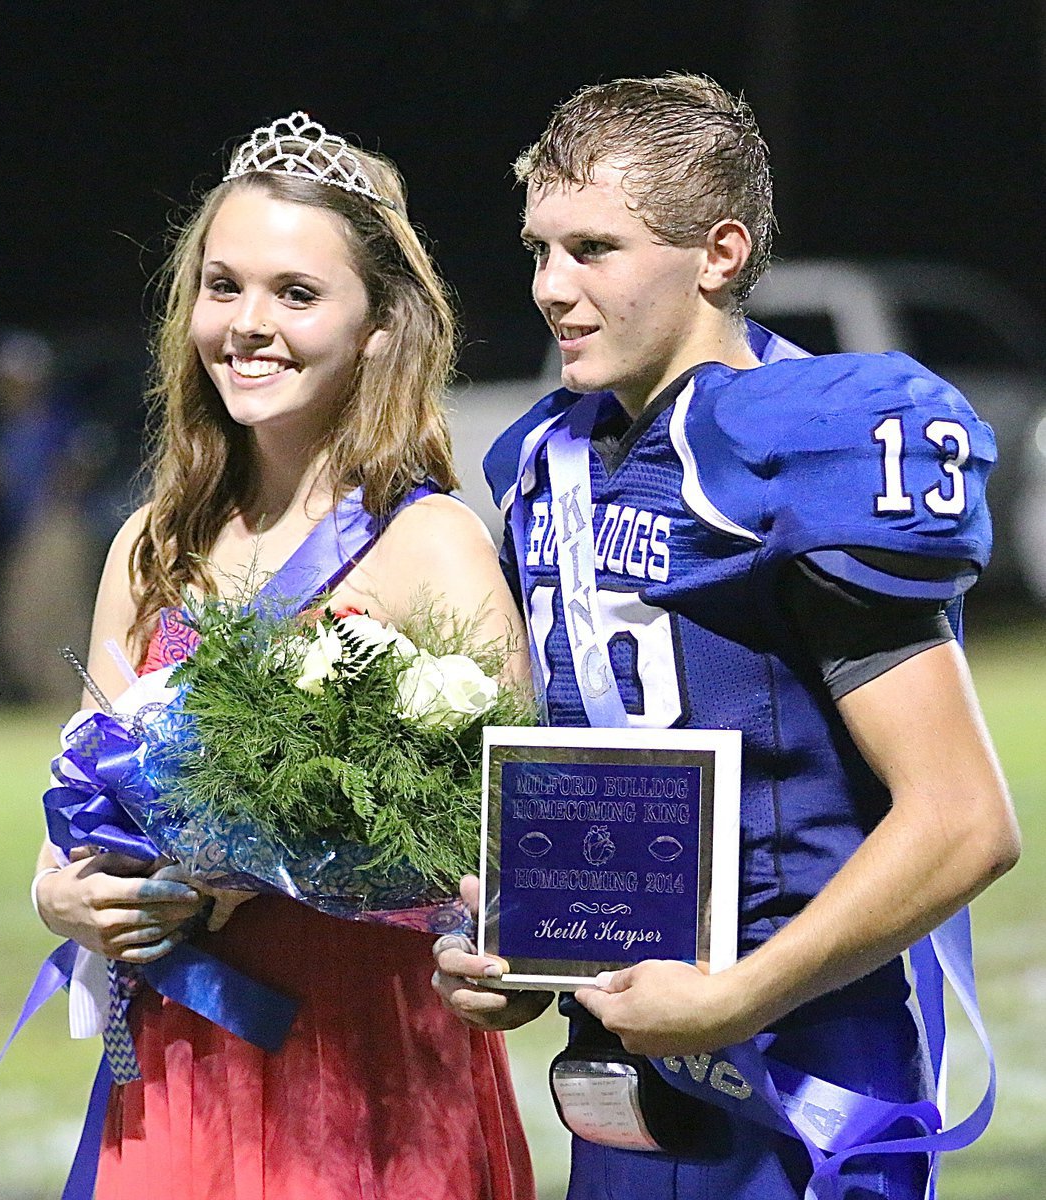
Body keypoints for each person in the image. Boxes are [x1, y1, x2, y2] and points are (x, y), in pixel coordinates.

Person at [433, 73, 1020, 1200]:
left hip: (801, 1052)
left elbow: (963, 820)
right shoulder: (536, 463)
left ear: (718, 252)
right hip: (618, 1065)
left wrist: (738, 995)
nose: (552, 288)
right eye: (539, 249)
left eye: (594, 249)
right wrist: (516, 950)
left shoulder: (808, 446)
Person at [31, 111, 535, 1200]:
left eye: (296, 294)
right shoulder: (152, 542)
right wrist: (65, 901)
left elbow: (515, 849)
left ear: (381, 328)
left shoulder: (428, 542)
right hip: (178, 1066)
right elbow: (79, 808)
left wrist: (290, 857)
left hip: (367, 1085)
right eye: (224, 287)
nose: (249, 325)